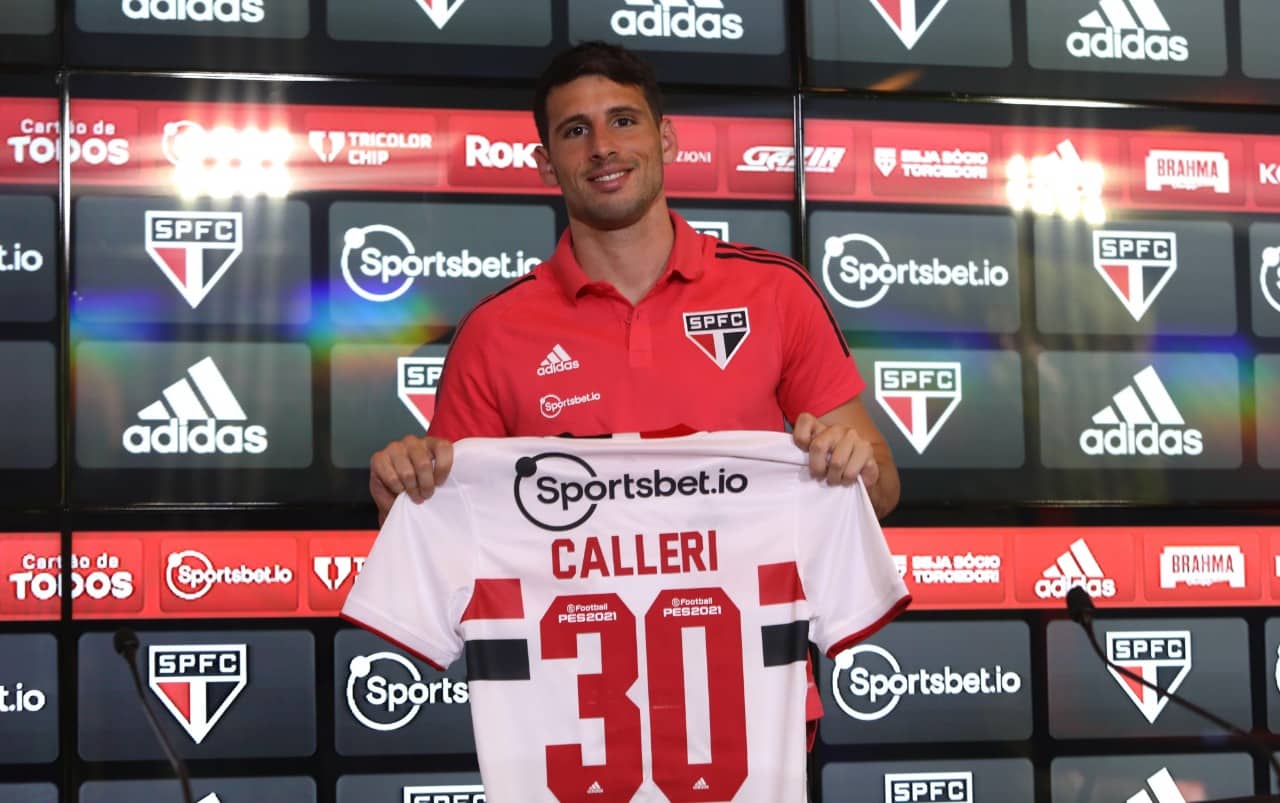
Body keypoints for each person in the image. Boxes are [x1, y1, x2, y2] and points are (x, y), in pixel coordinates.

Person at [368, 42, 900, 526]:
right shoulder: (493, 331)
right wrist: (406, 485)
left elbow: (882, 487)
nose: (602, 147)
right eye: (575, 131)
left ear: (665, 140)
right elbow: (451, 523)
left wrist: (854, 468)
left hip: (755, 631)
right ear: (546, 165)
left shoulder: (776, 290)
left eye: (623, 121)